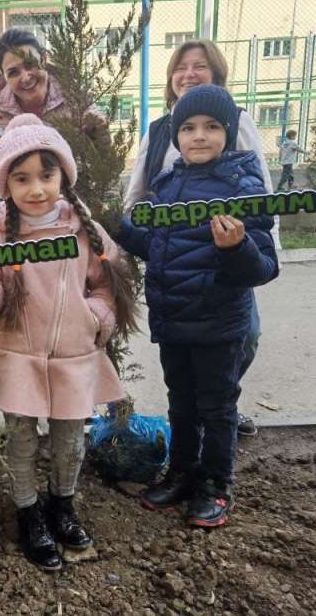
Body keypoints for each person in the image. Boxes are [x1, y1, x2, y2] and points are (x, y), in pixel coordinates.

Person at [0, 114, 137, 572]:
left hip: (74, 356)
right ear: (6, 185)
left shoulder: (83, 229)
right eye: (22, 178)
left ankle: (62, 506)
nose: (36, 189)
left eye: (46, 176)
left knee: (70, 443)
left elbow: (109, 283)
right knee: (21, 442)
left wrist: (97, 317)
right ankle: (29, 513)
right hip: (18, 357)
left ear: (63, 177)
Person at [115, 85, 279, 528]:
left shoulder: (244, 186)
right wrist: (118, 228)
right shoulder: (167, 184)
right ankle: (183, 473)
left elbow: (264, 267)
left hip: (219, 324)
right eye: (188, 128)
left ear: (228, 132)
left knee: (217, 409)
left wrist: (236, 247)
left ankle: (216, 485)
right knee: (181, 405)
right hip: (174, 321)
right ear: (176, 136)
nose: (199, 136)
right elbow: (156, 247)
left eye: (211, 126)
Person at [123, 38, 272, 438]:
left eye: (199, 65)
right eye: (181, 66)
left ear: (216, 73)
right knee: (181, 390)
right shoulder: (158, 132)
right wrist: (124, 230)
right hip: (177, 274)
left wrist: (250, 246)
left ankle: (219, 411)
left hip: (225, 266)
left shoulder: (237, 122)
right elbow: (137, 198)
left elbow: (262, 195)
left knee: (242, 341)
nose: (188, 73)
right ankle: (190, 447)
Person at [0, 28, 111, 151]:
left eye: (30, 64)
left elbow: (103, 154)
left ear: (43, 59)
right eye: (13, 72)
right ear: (4, 76)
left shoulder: (75, 98)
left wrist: (98, 131)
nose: (25, 78)